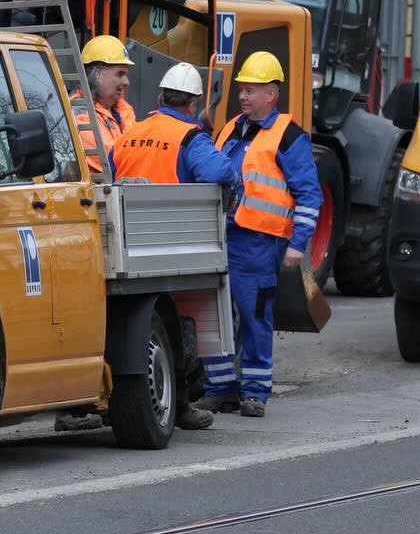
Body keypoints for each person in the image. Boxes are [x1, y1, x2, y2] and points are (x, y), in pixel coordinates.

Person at [113, 61, 238, 432]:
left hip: (125, 241)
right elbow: (220, 173)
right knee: (177, 324)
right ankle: (181, 404)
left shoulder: (129, 134)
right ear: (194, 104)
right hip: (170, 240)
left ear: (159, 97)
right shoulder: (189, 135)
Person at [198, 51, 321, 419]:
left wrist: (298, 244)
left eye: (251, 90)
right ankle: (220, 389)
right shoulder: (231, 128)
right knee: (216, 317)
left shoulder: (288, 135)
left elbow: (309, 193)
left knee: (254, 317)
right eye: (241, 90)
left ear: (272, 93)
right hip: (223, 236)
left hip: (258, 243)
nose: (243, 97)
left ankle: (254, 392)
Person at [70, 35, 137, 175]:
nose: (126, 82)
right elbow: (113, 161)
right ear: (98, 74)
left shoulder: (123, 111)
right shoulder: (78, 112)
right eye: (120, 74)